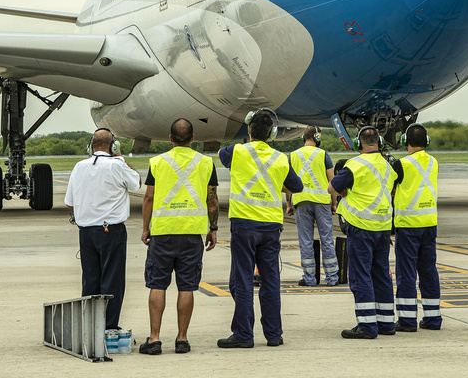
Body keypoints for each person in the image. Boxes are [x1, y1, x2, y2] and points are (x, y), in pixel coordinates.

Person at [215, 109, 303, 349]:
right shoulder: (281, 158)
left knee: (242, 280)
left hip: (244, 224)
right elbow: (297, 186)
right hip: (271, 227)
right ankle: (274, 334)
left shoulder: (238, 151)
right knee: (271, 280)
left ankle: (244, 334)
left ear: (249, 130)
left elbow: (221, 154)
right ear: (272, 133)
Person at [138, 119, 219, 355]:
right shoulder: (206, 162)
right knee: (187, 286)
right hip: (193, 233)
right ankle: (182, 339)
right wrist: (213, 229)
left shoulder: (157, 162)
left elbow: (149, 198)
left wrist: (146, 228)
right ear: (193, 138)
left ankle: (154, 339)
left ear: (170, 139)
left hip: (163, 232)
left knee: (157, 284)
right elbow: (211, 199)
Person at [64, 128, 141, 331]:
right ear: (113, 146)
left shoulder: (79, 166)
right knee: (112, 280)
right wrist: (121, 158)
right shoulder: (117, 165)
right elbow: (136, 183)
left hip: (86, 231)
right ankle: (108, 326)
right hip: (110, 230)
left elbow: (69, 202)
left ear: (91, 146)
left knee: (90, 280)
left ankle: (89, 327)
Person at [328, 126, 399, 339]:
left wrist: (345, 190)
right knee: (381, 274)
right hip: (383, 227)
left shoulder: (355, 164)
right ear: (379, 143)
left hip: (361, 227)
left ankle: (367, 325)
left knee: (361, 276)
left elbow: (332, 188)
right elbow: (392, 188)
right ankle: (386, 322)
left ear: (359, 144)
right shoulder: (388, 166)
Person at [393, 123, 441, 331]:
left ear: (405, 142)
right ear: (426, 142)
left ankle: (407, 319)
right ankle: (433, 319)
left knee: (406, 273)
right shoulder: (434, 162)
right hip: (429, 224)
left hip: (408, 225)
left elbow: (391, 190)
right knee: (429, 271)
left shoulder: (401, 164)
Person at [285, 126, 338, 286]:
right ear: (317, 138)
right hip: (321, 202)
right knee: (327, 239)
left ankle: (309, 278)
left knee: (306, 240)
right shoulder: (323, 155)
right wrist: (334, 203)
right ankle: (332, 278)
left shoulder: (293, 155)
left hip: (301, 201)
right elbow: (332, 180)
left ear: (303, 138)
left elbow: (288, 182)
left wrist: (289, 203)